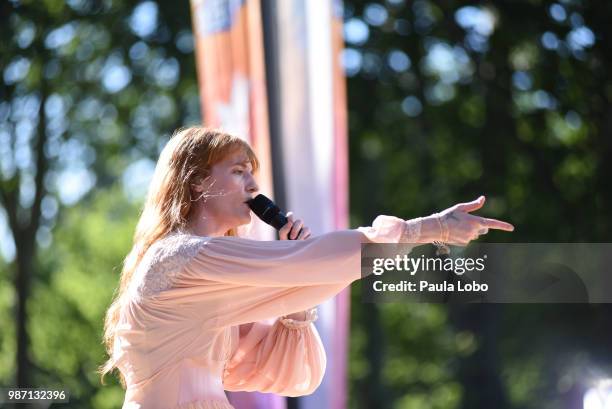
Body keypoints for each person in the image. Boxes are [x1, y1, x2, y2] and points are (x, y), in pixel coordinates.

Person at [99, 126, 514, 409]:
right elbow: (317, 263)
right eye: (239, 171)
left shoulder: (204, 274)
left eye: (252, 174)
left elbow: (291, 374)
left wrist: (298, 281)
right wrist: (428, 228)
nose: (253, 186)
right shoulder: (180, 259)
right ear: (195, 183)